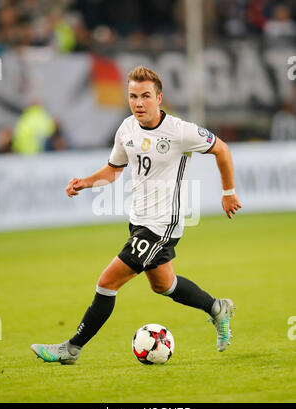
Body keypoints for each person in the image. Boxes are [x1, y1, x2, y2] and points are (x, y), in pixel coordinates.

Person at [31, 66, 242, 364]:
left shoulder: (180, 131)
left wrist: (228, 192)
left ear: (159, 98)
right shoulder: (127, 128)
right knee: (163, 285)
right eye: (133, 96)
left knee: (107, 282)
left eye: (145, 96)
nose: (138, 103)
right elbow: (114, 170)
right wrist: (86, 182)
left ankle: (71, 348)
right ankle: (217, 308)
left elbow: (222, 149)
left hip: (161, 225)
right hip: (138, 220)